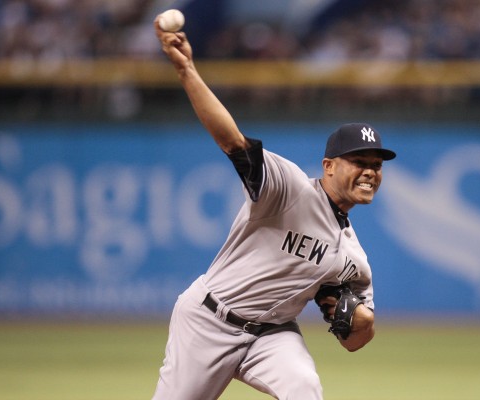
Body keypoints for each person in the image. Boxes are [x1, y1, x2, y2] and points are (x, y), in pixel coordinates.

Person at [152, 13, 396, 400]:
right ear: (329, 166)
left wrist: (362, 324)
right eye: (359, 162)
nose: (370, 172)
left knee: (305, 388)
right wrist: (187, 70)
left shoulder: (354, 260)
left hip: (271, 335)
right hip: (208, 320)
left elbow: (354, 341)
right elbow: (231, 140)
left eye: (376, 166)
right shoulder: (288, 188)